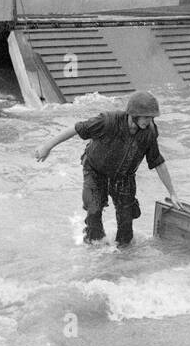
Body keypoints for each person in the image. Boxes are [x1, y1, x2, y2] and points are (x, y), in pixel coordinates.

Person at [34, 90, 181, 247]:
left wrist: (172, 193)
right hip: (95, 170)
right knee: (94, 210)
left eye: (152, 117)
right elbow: (76, 128)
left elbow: (158, 162)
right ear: (133, 114)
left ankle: (123, 256)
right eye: (146, 117)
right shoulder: (108, 121)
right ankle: (95, 250)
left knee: (126, 223)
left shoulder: (149, 132)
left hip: (124, 176)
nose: (149, 121)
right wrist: (47, 146)